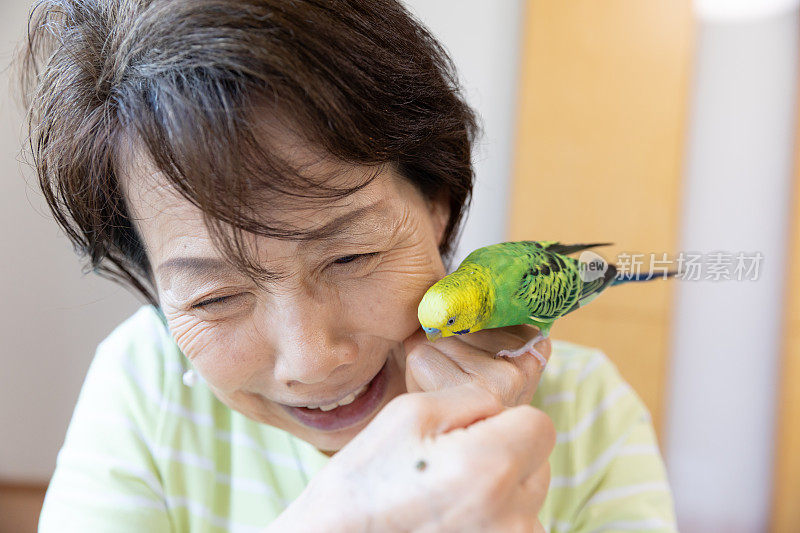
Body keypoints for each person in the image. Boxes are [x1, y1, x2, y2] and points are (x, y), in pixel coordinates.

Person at [19, 0, 677, 531]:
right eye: (214, 296)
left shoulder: (590, 418)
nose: (311, 359)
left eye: (350, 255)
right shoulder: (143, 387)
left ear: (439, 204)